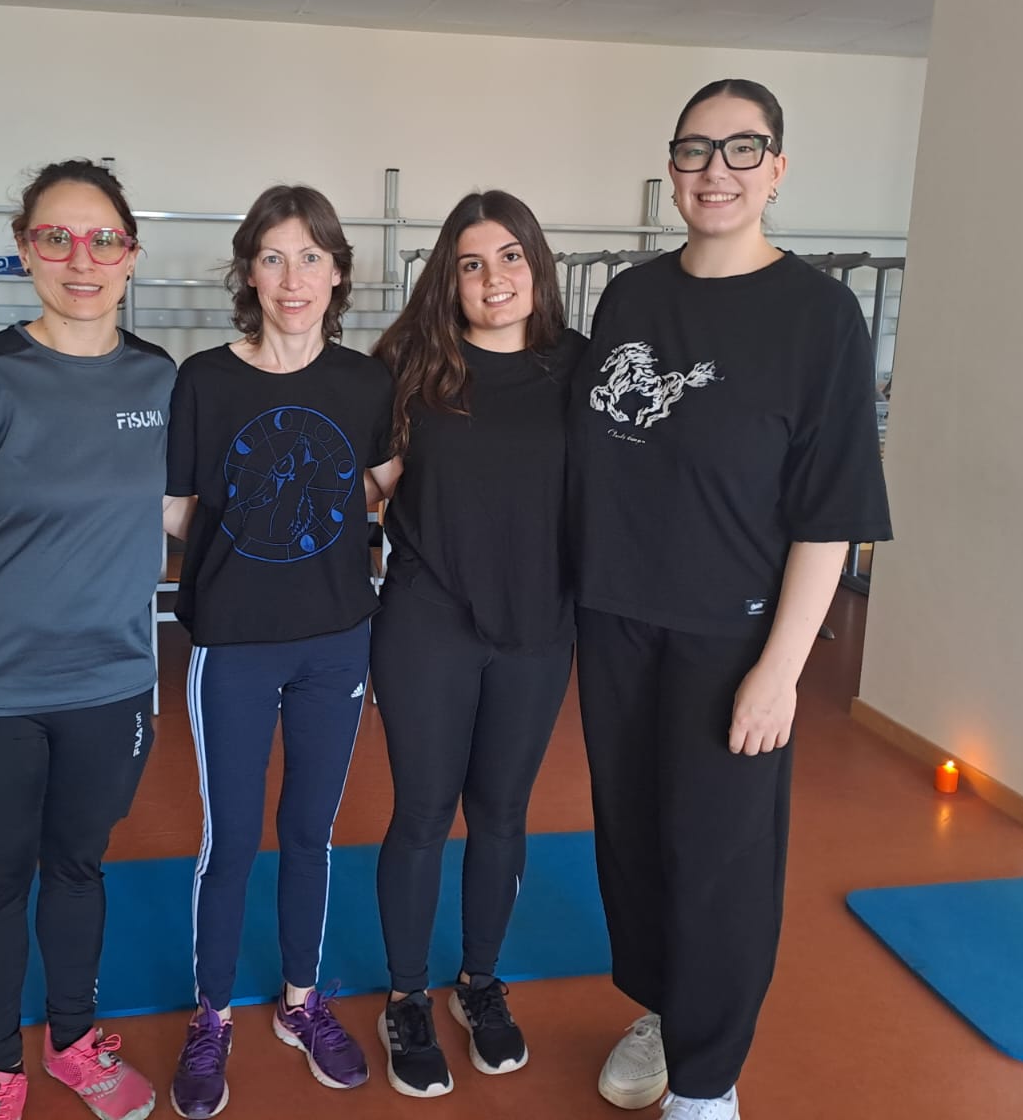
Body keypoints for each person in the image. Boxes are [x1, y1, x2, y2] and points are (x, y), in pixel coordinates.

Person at [568, 80, 892, 1120]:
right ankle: (666, 1010)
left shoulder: (818, 317)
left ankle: (707, 1083)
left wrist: (780, 671)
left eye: (742, 149)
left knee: (718, 860)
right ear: (670, 172)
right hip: (617, 620)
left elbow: (828, 506)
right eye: (696, 150)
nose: (716, 169)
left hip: (732, 635)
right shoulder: (628, 297)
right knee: (632, 836)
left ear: (778, 170)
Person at [0, 160, 172, 1120]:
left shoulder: (157, 378)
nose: (80, 259)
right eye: (56, 238)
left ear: (131, 256)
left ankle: (71, 1044)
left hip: (111, 685)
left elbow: (179, 513)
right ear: (25, 249)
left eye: (102, 239)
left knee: (78, 868)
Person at [161, 184, 396, 1119]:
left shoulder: (366, 384)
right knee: (232, 840)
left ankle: (302, 1003)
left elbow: (376, 490)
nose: (291, 279)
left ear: (337, 273)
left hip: (339, 642)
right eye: (272, 257)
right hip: (235, 645)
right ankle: (211, 1013)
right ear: (247, 271)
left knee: (311, 832)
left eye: (310, 258)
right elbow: (177, 511)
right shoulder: (204, 380)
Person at [366, 190, 587, 1098]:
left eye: (509, 256)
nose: (494, 278)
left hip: (540, 625)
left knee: (502, 813)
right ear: (447, 280)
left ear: (536, 264)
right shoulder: (411, 369)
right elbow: (363, 490)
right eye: (470, 263)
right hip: (429, 622)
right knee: (422, 814)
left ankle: (480, 985)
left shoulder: (581, 369)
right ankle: (408, 998)